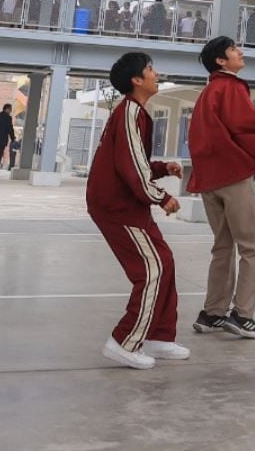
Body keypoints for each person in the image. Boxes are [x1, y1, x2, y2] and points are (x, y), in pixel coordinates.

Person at [86, 52, 187, 370]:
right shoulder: (130, 112)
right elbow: (130, 167)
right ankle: (124, 342)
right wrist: (161, 197)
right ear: (136, 80)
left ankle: (157, 336)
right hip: (116, 206)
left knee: (164, 262)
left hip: (125, 203)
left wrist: (162, 167)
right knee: (151, 270)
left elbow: (135, 161)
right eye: (150, 69)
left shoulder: (135, 113)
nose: (156, 73)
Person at [188, 36, 255, 341]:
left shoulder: (207, 93)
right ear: (221, 60)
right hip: (232, 177)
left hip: (209, 180)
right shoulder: (231, 87)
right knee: (252, 246)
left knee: (222, 246)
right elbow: (248, 128)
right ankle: (242, 315)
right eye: (233, 50)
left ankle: (212, 313)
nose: (240, 52)